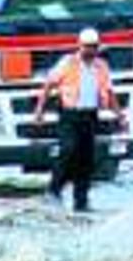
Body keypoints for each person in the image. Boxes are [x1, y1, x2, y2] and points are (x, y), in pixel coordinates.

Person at [34, 28, 126, 212]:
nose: (90, 51)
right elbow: (49, 85)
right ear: (80, 46)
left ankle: (81, 200)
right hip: (69, 114)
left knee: (86, 159)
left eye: (93, 47)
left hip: (90, 115)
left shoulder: (101, 66)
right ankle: (53, 190)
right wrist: (39, 110)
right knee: (69, 149)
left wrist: (119, 115)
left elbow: (109, 91)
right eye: (87, 47)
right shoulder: (68, 63)